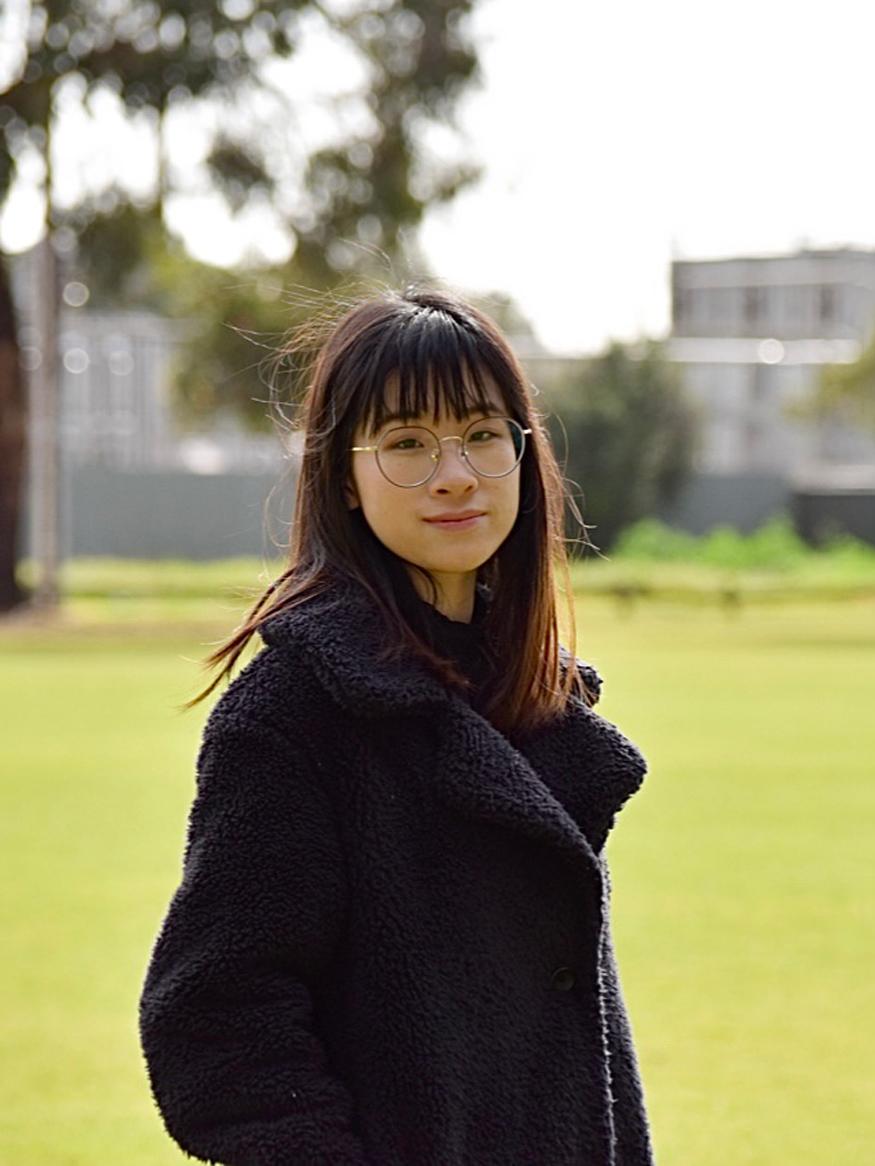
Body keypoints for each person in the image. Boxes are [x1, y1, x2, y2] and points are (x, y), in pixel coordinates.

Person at [138, 286, 656, 1165]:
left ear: (524, 455)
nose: (454, 473)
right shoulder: (293, 713)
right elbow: (214, 1018)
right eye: (408, 443)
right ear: (343, 472)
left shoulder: (529, 692)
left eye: (483, 435)